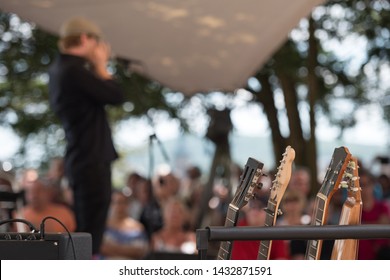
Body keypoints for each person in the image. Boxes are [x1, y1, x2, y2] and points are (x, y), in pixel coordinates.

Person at [48, 16, 125, 255]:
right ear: (85, 38)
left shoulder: (62, 69)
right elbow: (115, 95)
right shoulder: (74, 71)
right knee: (90, 235)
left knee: (88, 233)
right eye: (96, 41)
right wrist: (101, 66)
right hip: (91, 161)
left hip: (84, 159)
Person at [100, 190, 149, 259]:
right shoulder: (103, 225)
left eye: (121, 202)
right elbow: (101, 248)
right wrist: (126, 249)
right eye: (115, 202)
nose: (118, 206)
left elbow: (140, 251)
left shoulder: (137, 227)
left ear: (128, 204)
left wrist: (113, 247)